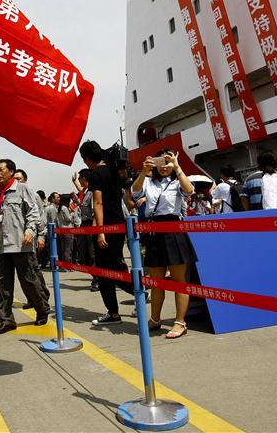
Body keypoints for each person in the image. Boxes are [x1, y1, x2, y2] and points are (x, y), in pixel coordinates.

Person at [131, 150, 196, 339]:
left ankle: (180, 322)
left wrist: (178, 167)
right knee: (156, 282)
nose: (165, 165)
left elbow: (189, 191)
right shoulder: (148, 182)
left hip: (174, 230)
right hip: (154, 232)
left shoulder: (177, 182)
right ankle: (155, 319)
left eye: (168, 161)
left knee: (179, 281)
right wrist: (143, 172)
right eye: (162, 161)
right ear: (155, 163)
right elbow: (135, 192)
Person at [0, 159, 49, 334]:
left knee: (29, 281)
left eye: (1, 170)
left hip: (21, 244)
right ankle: (6, 320)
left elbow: (33, 212)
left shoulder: (22, 189)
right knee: (3, 286)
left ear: (11, 171)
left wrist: (31, 231)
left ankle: (42, 309)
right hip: (2, 247)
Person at [79, 141, 134, 326]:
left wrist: (100, 231)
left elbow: (98, 204)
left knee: (105, 272)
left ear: (87, 158)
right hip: (119, 224)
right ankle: (139, 291)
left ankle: (115, 311)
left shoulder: (95, 175)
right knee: (116, 265)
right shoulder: (113, 170)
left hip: (106, 226)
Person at [13, 170, 49, 309]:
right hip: (18, 241)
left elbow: (40, 217)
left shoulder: (33, 195)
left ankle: (42, 297)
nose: (18, 182)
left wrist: (41, 236)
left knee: (33, 270)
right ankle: (32, 298)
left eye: (20, 179)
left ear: (26, 179)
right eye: (15, 180)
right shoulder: (11, 195)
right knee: (23, 274)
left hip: (31, 238)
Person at [73, 169, 99, 291]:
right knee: (83, 255)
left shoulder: (94, 192)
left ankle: (97, 280)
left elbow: (95, 213)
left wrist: (95, 230)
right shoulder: (85, 192)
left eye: (80, 178)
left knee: (92, 254)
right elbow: (83, 203)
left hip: (91, 225)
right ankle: (96, 276)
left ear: (85, 178)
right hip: (84, 225)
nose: (79, 181)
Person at [56, 194, 76, 263]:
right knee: (68, 248)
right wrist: (73, 212)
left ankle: (64, 264)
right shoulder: (64, 208)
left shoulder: (59, 207)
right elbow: (68, 219)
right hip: (68, 230)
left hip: (61, 229)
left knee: (63, 248)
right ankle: (67, 265)